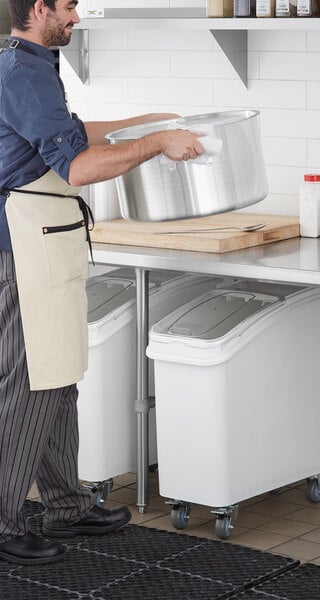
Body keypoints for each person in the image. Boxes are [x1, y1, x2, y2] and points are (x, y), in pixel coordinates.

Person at [0, 0, 205, 565]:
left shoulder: (37, 63)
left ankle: (66, 506)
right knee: (31, 384)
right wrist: (157, 145)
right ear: (38, 8)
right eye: (68, 6)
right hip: (24, 245)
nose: (77, 17)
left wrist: (144, 126)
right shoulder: (20, 71)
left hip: (46, 237)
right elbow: (77, 168)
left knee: (59, 374)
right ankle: (3, 521)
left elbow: (72, 135)